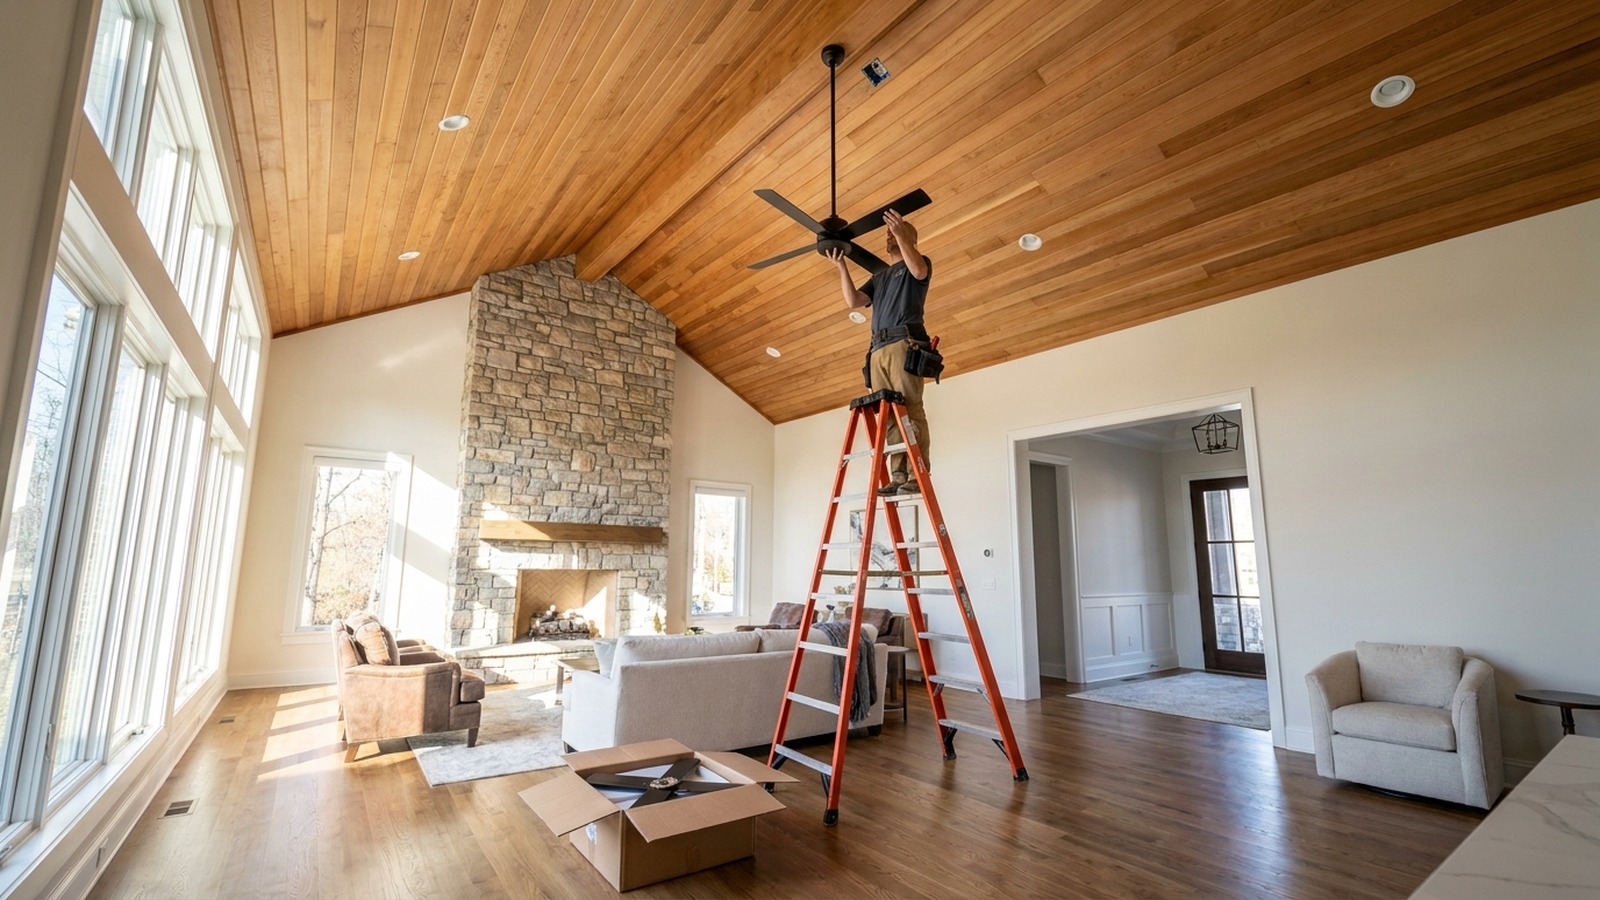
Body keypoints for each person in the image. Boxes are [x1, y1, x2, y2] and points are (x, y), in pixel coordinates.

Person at [826, 209, 932, 496]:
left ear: (910, 236)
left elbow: (919, 271)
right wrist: (841, 267)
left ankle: (916, 472)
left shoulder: (918, 265)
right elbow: (853, 301)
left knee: (909, 408)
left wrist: (901, 233)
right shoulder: (881, 276)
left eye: (894, 232)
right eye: (888, 233)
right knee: (888, 416)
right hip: (877, 348)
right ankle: (898, 474)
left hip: (903, 343)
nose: (889, 236)